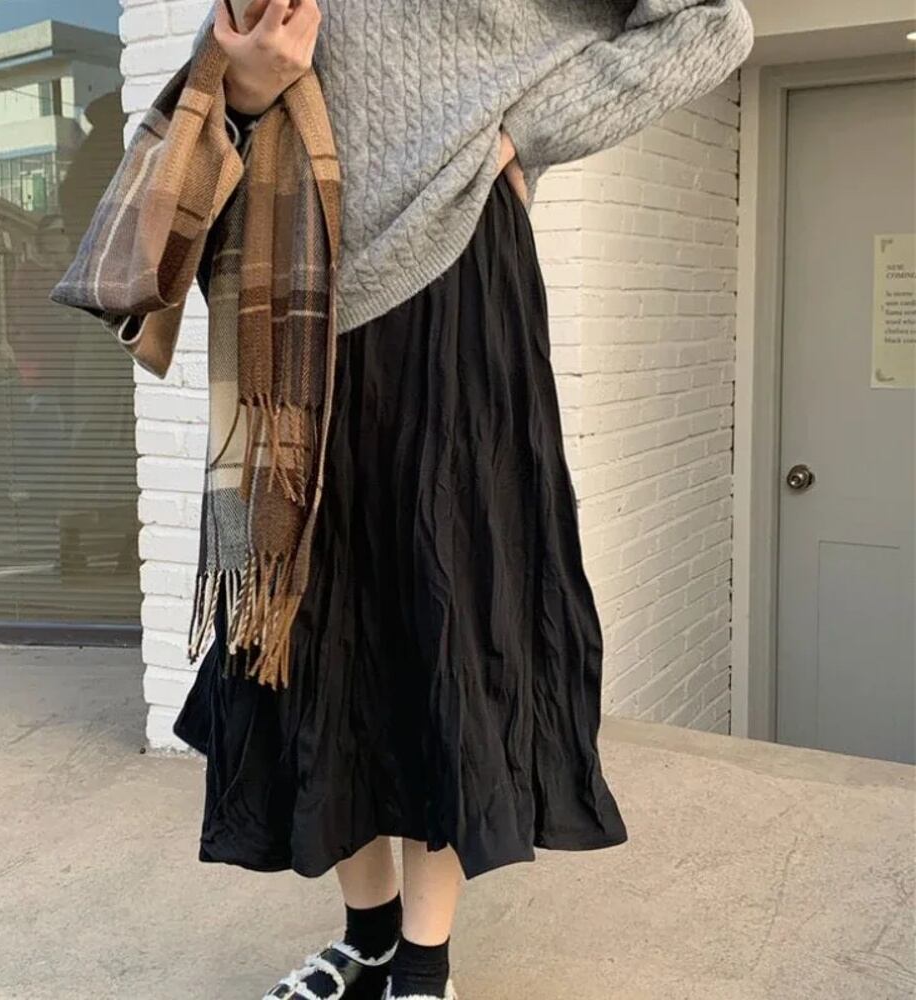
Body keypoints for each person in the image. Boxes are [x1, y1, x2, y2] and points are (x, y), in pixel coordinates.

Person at [172, 1, 755, 997]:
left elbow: (708, 23)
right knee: (304, 627)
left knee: (444, 611)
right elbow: (214, 89)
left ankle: (423, 963)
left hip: (455, 277)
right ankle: (366, 938)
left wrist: (523, 128)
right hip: (295, 288)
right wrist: (249, 86)